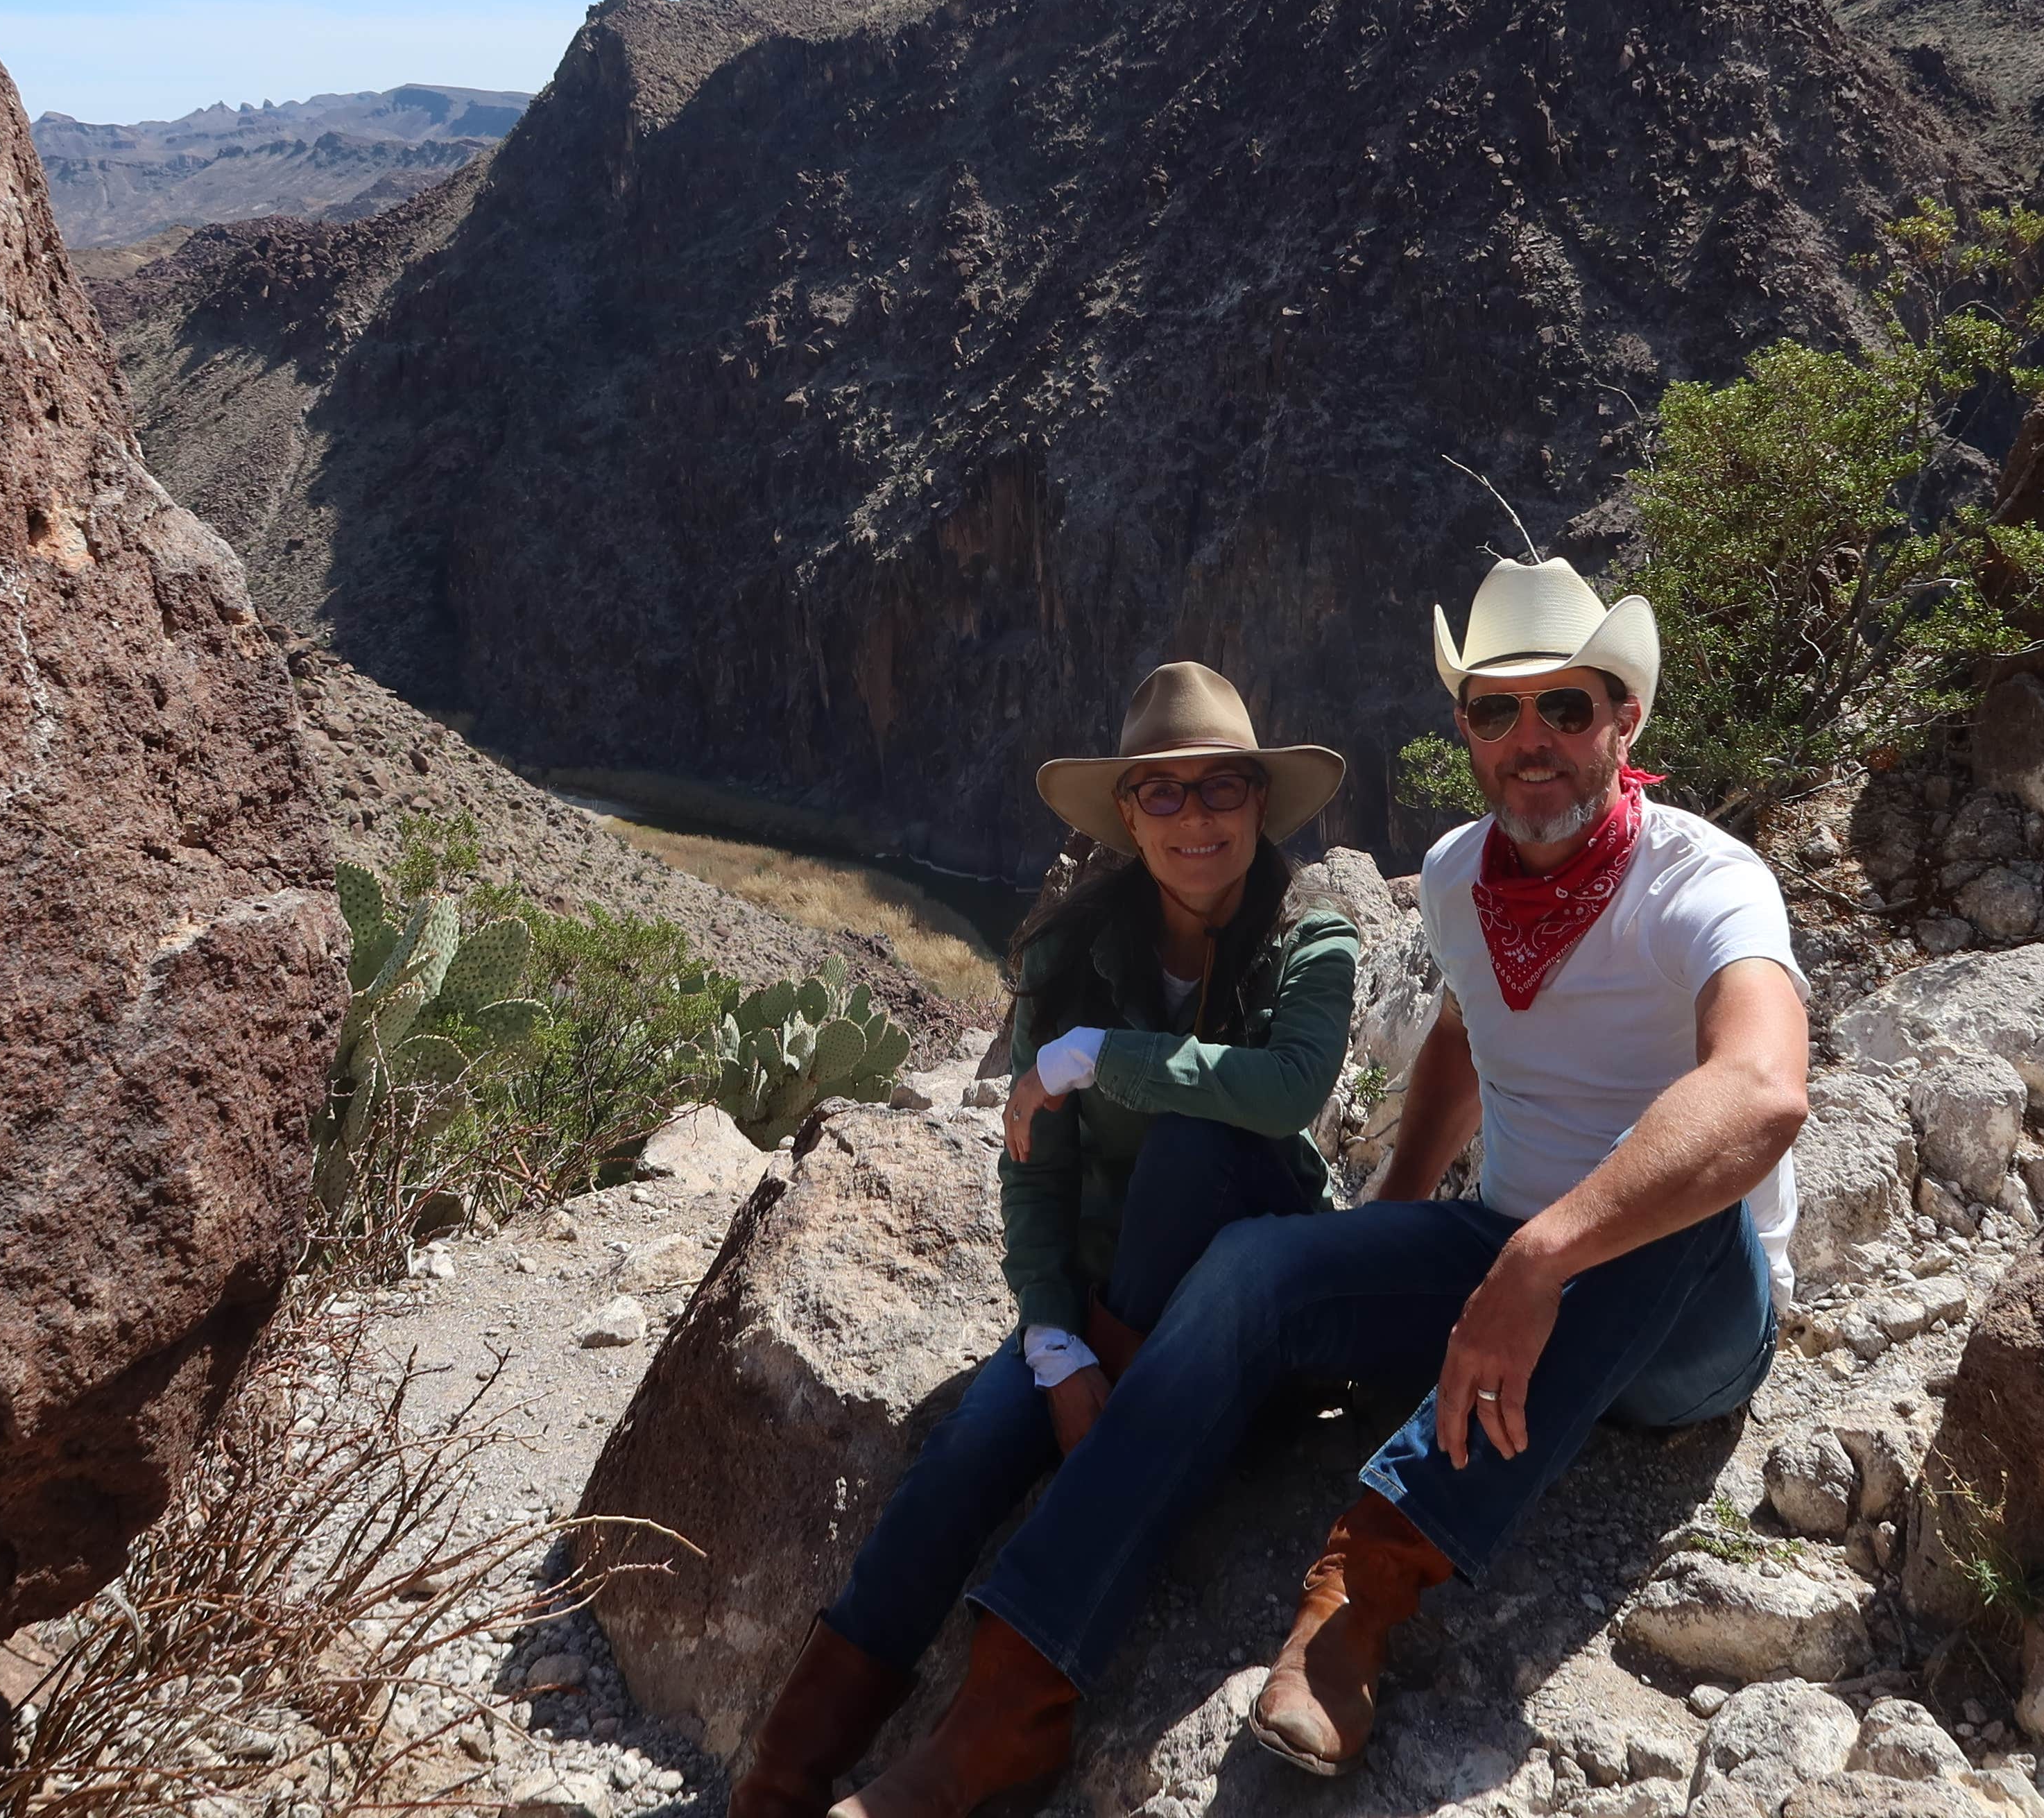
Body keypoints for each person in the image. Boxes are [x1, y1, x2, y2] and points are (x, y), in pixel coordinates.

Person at [831, 556, 1809, 1818]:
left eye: (1568, 708)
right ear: (1463, 728)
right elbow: (1467, 1033)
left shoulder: (1704, 880)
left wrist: (1541, 1256)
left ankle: (1359, 1597)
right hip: (1505, 1258)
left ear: (1627, 719)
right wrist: (1404, 1206)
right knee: (1256, 1269)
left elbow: (1764, 1091)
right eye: (1496, 710)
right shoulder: (1462, 875)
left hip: (1689, 1326)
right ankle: (1002, 1709)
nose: (1532, 741)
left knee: (1676, 1185)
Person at [731, 662, 1359, 1818]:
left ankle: (1002, 1726)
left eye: (1220, 788)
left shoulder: (1311, 944)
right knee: (970, 1449)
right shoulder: (1071, 955)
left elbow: (1282, 1096)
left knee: (1189, 1142)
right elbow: (1037, 1176)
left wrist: (1089, 1059)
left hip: (1249, 1322)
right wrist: (1060, 1349)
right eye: (1162, 795)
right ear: (1127, 815)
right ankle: (784, 1769)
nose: (1195, 819)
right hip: (1108, 1304)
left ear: (1258, 805)